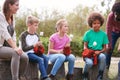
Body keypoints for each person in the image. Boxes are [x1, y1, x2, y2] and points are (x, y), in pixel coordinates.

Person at [0, 0, 28, 80]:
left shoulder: (12, 17)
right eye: (16, 5)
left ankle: (21, 76)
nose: (18, 7)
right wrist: (15, 48)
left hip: (8, 47)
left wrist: (15, 46)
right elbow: (5, 33)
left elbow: (13, 35)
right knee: (15, 53)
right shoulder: (0, 16)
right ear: (9, 5)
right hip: (0, 47)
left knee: (25, 57)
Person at [19, 15, 51, 80]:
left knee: (46, 58)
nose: (37, 27)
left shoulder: (37, 35)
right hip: (26, 54)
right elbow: (24, 49)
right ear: (29, 25)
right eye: (35, 25)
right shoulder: (24, 35)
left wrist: (40, 46)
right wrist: (34, 45)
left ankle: (42, 76)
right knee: (40, 59)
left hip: (34, 53)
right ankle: (45, 77)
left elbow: (37, 49)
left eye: (37, 25)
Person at [82, 12, 109, 80]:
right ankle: (85, 76)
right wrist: (87, 51)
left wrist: (99, 52)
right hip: (89, 53)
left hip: (99, 53)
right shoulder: (87, 33)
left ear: (101, 23)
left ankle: (100, 76)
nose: (96, 25)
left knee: (103, 56)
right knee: (90, 63)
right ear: (91, 24)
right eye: (94, 23)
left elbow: (104, 48)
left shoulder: (103, 34)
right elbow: (85, 46)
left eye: (98, 23)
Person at [106, 2, 120, 70]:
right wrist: (109, 45)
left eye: (118, 14)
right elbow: (108, 30)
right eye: (115, 14)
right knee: (109, 50)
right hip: (113, 32)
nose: (116, 16)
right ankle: (106, 69)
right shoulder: (110, 16)